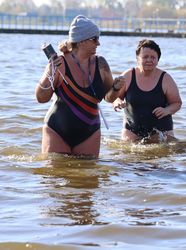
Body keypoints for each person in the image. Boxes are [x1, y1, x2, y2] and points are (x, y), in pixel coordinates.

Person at [35, 15, 125, 157]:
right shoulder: (59, 63)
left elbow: (108, 98)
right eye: (95, 39)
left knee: (88, 176)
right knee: (54, 174)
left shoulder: (101, 64)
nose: (98, 43)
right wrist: (49, 72)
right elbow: (41, 98)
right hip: (57, 130)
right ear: (81, 41)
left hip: (89, 133)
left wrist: (115, 88)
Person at [113, 39, 182, 143]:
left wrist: (166, 110)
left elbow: (177, 103)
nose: (149, 60)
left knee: (164, 154)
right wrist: (118, 103)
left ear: (158, 60)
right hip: (132, 131)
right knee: (126, 154)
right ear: (137, 58)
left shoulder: (166, 79)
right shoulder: (128, 75)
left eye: (153, 57)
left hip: (161, 132)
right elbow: (115, 97)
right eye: (145, 57)